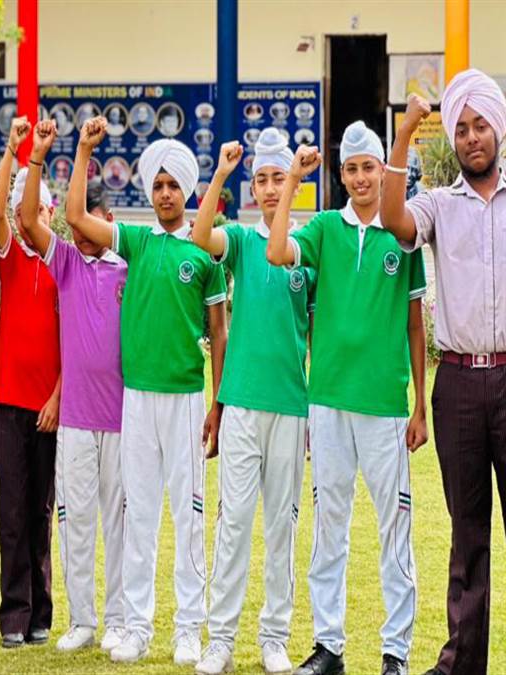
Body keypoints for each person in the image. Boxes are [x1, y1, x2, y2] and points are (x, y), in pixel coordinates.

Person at [266, 122, 428, 675]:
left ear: (383, 171)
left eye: (369, 168)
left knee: (394, 529)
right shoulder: (324, 229)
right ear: (341, 175)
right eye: (352, 169)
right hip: (329, 400)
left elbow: (415, 324)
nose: (361, 178)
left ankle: (395, 652)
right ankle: (328, 647)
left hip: (385, 405)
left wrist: (420, 404)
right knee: (328, 526)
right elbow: (276, 251)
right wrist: (293, 179)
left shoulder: (402, 234)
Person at [66, 124, 228, 667]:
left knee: (188, 515)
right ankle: (137, 627)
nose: (164, 194)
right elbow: (76, 217)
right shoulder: (135, 241)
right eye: (157, 185)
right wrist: (84, 151)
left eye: (173, 185)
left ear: (188, 190)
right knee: (139, 515)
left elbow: (219, 332)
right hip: (135, 400)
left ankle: (188, 630)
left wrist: (217, 404)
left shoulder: (204, 253)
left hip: (184, 400)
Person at [381, 71, 506, 675]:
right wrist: (406, 133)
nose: (472, 137)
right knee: (468, 534)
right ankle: (463, 664)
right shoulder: (437, 203)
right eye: (461, 129)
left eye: (481, 125)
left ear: (498, 129)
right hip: (456, 384)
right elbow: (392, 219)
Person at [189, 129, 313, 675]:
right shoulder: (239, 240)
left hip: (290, 405)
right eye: (261, 179)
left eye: (278, 178)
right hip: (240, 402)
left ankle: (275, 637)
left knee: (281, 526)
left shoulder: (307, 248)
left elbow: (317, 331)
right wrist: (220, 173)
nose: (269, 188)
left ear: (293, 182)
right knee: (234, 522)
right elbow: (199, 236)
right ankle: (221, 639)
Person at [20, 119, 128, 654]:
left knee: (120, 524)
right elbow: (27, 220)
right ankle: (82, 620)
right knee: (76, 521)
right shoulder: (65, 263)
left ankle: (121, 621)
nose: (80, 233)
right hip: (79, 420)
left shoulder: (130, 266)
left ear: (110, 221)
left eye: (90, 223)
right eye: (75, 224)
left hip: (125, 418)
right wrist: (46, 155)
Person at [0, 117, 62, 649]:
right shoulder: (11, 259)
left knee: (41, 512)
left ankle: (41, 613)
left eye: (38, 209)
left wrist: (58, 396)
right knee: (11, 512)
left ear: (51, 214)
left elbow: (76, 343)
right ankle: (13, 615)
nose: (28, 216)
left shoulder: (65, 265)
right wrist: (14, 152)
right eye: (22, 211)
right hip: (9, 403)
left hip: (50, 408)